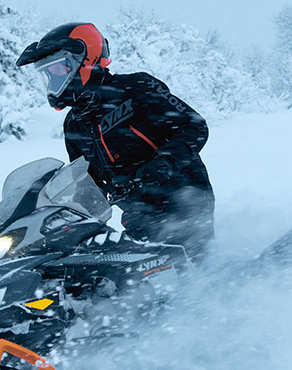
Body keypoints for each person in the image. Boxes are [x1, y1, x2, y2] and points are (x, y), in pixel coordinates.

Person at [17, 22, 214, 255]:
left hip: (183, 196)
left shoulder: (136, 88)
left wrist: (165, 162)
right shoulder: (74, 124)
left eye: (58, 70)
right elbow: (85, 180)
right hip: (137, 212)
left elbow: (194, 126)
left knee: (188, 263)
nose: (53, 80)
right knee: (126, 270)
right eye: (48, 74)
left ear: (85, 60)